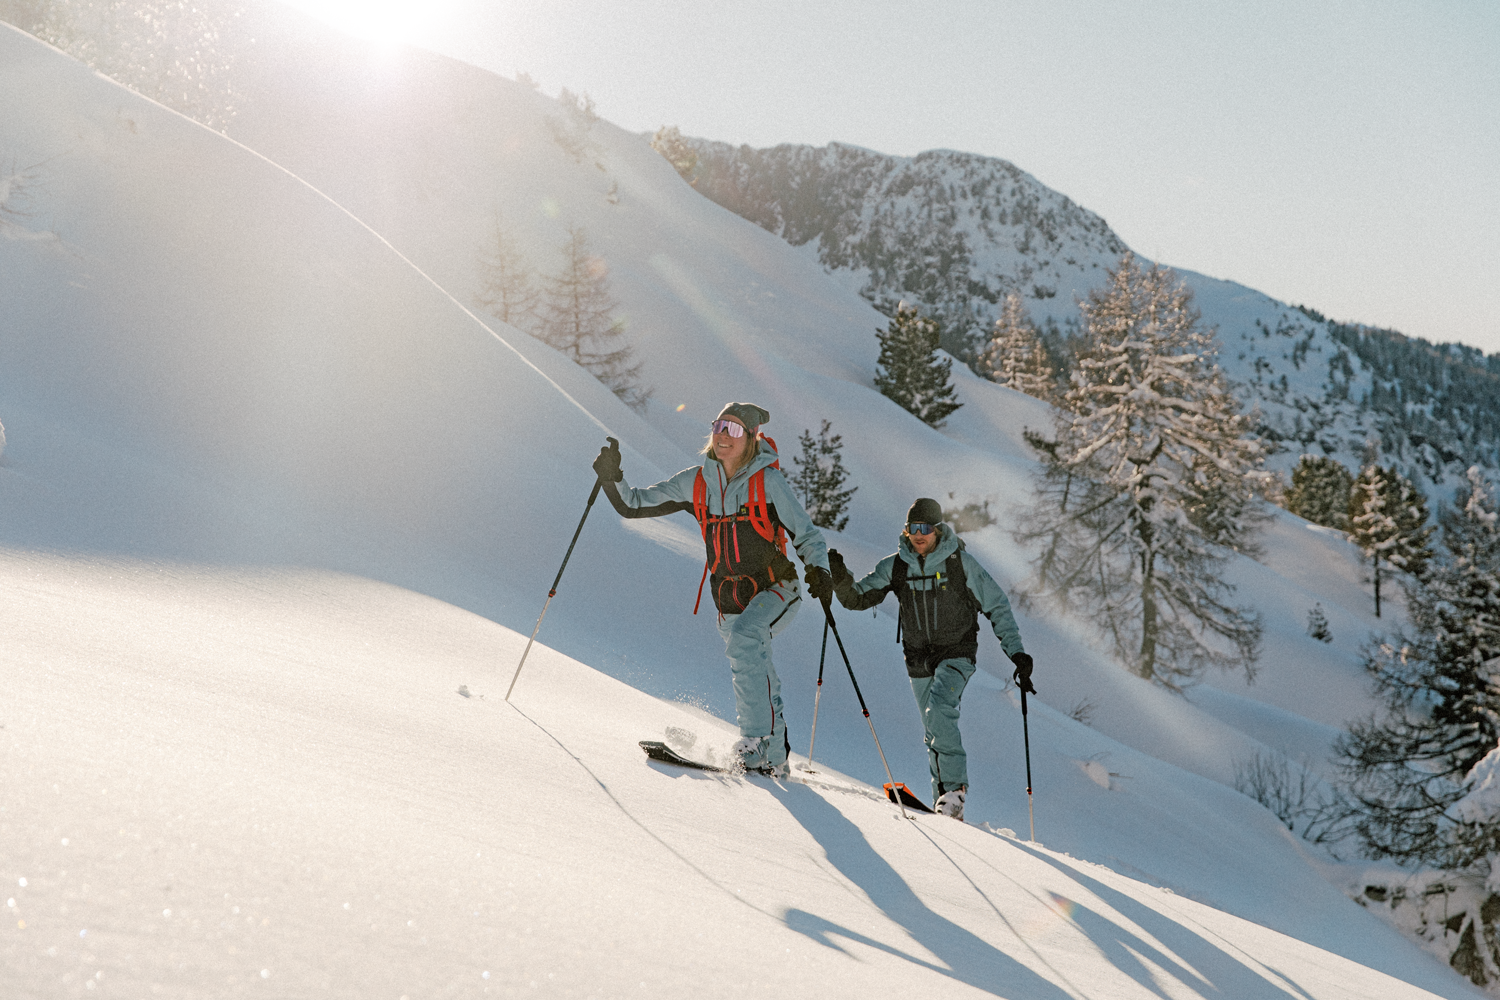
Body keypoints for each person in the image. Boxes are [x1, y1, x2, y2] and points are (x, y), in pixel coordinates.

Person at [592, 403, 833, 777]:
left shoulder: (769, 483)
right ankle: (776, 756)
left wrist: (819, 570)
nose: (723, 435)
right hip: (730, 598)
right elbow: (634, 504)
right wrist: (612, 477)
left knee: (746, 639)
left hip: (777, 588)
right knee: (753, 664)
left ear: (751, 439)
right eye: (720, 426)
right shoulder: (696, 481)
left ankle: (754, 743)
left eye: (734, 430)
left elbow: (807, 535)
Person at [828, 498, 1034, 820]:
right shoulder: (895, 566)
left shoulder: (960, 564)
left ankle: (954, 791)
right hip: (918, 658)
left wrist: (1017, 653)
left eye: (924, 528)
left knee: (939, 709)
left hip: (957, 653)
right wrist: (840, 582)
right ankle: (945, 802)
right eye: (912, 528)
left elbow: (997, 606)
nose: (918, 535)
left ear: (937, 530)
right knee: (931, 725)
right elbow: (857, 598)